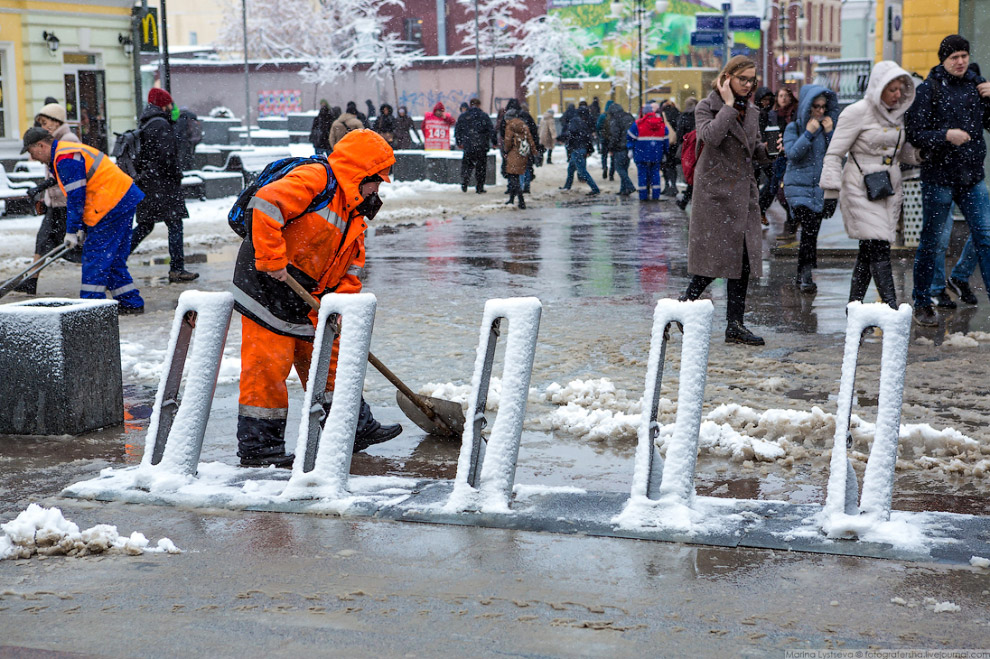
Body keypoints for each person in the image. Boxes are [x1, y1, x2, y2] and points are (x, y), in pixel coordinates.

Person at [231, 129, 401, 468]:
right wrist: (272, 259)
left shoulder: (353, 214)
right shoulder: (315, 178)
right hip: (266, 284)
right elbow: (266, 205)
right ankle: (259, 448)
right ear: (360, 174)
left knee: (326, 360)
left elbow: (349, 272)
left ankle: (352, 427)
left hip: (308, 295)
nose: (378, 190)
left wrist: (340, 309)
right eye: (377, 181)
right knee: (269, 368)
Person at [679, 56, 773, 346]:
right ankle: (682, 308)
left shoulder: (753, 111)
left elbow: (751, 148)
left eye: (751, 80)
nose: (747, 85)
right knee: (713, 264)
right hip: (716, 195)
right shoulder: (707, 106)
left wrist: (767, 150)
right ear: (727, 77)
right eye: (742, 79)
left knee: (741, 263)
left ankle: (735, 325)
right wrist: (730, 105)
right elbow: (712, 136)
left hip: (743, 195)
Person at [905, 34, 990, 326]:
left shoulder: (976, 86)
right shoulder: (928, 90)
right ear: (943, 60)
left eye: (964, 55)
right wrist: (945, 136)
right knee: (931, 242)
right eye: (954, 57)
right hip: (939, 177)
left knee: (986, 237)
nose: (961, 61)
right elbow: (914, 134)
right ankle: (921, 301)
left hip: (972, 177)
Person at [820, 61, 918, 310]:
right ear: (878, 88)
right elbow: (834, 154)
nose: (897, 94)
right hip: (860, 187)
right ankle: (892, 308)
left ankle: (853, 308)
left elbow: (897, 151)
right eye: (891, 89)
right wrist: (831, 192)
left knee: (867, 251)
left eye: (900, 89)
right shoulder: (856, 112)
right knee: (879, 247)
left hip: (887, 188)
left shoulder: (898, 115)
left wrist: (920, 156)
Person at [22, 128, 145, 313]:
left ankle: (91, 310)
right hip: (122, 198)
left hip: (110, 205)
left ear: (41, 145)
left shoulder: (65, 158)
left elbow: (75, 198)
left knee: (96, 257)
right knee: (112, 259)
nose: (34, 158)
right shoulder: (64, 152)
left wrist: (72, 231)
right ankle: (130, 303)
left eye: (32, 152)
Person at [130, 88, 198, 283]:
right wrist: (177, 174)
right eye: (170, 103)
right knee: (175, 224)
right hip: (163, 186)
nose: (172, 107)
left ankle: (115, 260)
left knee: (145, 226)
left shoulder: (147, 122)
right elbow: (166, 156)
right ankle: (177, 268)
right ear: (163, 104)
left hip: (149, 184)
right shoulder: (160, 124)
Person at [13, 102, 80, 295]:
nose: (42, 126)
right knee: (43, 240)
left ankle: (105, 273)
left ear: (56, 121)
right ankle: (31, 280)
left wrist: (45, 186)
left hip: (66, 201)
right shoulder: (48, 142)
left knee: (73, 242)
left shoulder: (68, 140)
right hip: (54, 202)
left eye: (45, 122)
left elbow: (68, 174)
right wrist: (42, 194)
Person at [782, 84, 839, 294]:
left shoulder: (826, 129)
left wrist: (829, 132)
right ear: (807, 106)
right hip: (798, 188)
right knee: (808, 230)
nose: (821, 111)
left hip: (820, 188)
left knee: (811, 233)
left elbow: (836, 153)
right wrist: (808, 133)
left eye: (824, 107)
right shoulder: (794, 128)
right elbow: (792, 154)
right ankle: (806, 273)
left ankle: (802, 272)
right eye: (816, 106)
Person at [771, 88, 799, 237]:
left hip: (791, 156)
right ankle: (792, 221)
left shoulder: (794, 115)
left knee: (788, 191)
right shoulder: (775, 115)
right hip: (779, 157)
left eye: (785, 96)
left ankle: (791, 223)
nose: (782, 99)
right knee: (778, 190)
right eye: (780, 96)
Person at [454, 97, 495, 194]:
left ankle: (465, 181)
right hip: (481, 146)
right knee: (481, 167)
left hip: (468, 145)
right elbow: (491, 130)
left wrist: (459, 142)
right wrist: (494, 142)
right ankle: (479, 187)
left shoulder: (463, 116)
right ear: (479, 105)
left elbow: (458, 130)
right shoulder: (484, 116)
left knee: (467, 165)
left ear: (470, 104)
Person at [627, 104, 668, 201]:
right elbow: (665, 140)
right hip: (656, 154)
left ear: (644, 112)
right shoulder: (661, 124)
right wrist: (665, 152)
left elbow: (630, 138)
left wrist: (630, 149)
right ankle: (655, 196)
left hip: (641, 154)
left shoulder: (638, 124)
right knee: (655, 175)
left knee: (642, 175)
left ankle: (643, 196)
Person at [560, 103, 599, 195]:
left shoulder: (575, 121)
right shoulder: (585, 123)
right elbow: (588, 137)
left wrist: (568, 145)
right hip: (581, 148)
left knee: (582, 171)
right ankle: (567, 186)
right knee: (571, 168)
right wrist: (589, 149)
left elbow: (571, 135)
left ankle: (595, 189)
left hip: (577, 149)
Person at [502, 108, 536, 209]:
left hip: (513, 153)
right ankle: (512, 199)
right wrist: (534, 151)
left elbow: (508, 141)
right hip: (522, 153)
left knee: (513, 177)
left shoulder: (510, 126)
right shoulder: (523, 125)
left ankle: (521, 201)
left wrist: (506, 151)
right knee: (515, 176)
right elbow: (530, 138)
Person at [605, 101, 636, 196]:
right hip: (630, 146)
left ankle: (630, 187)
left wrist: (610, 147)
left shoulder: (615, 119)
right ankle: (624, 190)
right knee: (625, 168)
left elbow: (615, 135)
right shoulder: (629, 116)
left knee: (619, 168)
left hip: (620, 147)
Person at [675, 97, 698, 209]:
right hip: (700, 147)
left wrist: (683, 142)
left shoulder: (684, 116)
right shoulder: (701, 114)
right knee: (697, 175)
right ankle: (687, 200)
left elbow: (679, 133)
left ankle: (685, 201)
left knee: (691, 173)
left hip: (688, 147)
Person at [659, 100, 681, 196]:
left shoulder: (663, 115)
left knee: (665, 166)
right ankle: (674, 186)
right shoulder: (678, 113)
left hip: (665, 143)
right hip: (675, 144)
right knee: (673, 166)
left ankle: (668, 185)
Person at [595, 100, 613, 178]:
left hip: (604, 138)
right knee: (613, 155)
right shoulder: (614, 115)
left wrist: (600, 135)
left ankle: (605, 167)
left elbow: (598, 127)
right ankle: (611, 173)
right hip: (613, 139)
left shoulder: (602, 116)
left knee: (604, 155)